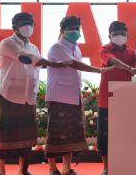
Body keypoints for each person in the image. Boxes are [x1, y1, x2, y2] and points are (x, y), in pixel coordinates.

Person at [0, 12, 68, 175]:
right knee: (5, 134)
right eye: (23, 23)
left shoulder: (33, 47)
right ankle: (1, 170)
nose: (28, 26)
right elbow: (26, 59)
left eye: (30, 23)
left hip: (29, 97)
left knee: (28, 136)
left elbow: (35, 67)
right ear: (14, 26)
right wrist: (54, 64)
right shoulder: (7, 43)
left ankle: (23, 170)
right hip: (10, 95)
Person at [45, 16, 114, 175]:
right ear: (62, 30)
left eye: (77, 27)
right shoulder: (57, 46)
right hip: (59, 96)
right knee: (55, 132)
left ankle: (67, 168)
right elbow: (73, 64)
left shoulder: (76, 47)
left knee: (71, 134)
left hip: (74, 95)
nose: (75, 31)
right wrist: (97, 70)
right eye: (71, 28)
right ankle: (52, 168)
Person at [97, 21, 136, 175]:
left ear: (127, 35)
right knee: (105, 134)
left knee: (125, 133)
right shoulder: (105, 49)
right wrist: (130, 68)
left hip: (126, 98)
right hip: (107, 98)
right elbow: (113, 62)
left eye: (122, 34)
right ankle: (106, 167)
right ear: (109, 35)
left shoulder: (132, 52)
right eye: (116, 34)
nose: (119, 36)